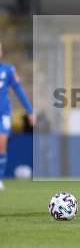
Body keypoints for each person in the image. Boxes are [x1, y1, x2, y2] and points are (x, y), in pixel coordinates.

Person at [0, 42, 35, 190]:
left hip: (3, 113)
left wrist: (30, 111)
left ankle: (0, 179)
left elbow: (19, 91)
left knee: (1, 145)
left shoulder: (8, 70)